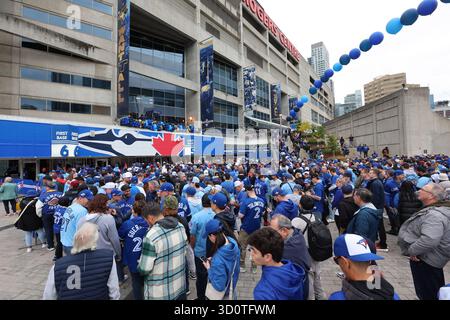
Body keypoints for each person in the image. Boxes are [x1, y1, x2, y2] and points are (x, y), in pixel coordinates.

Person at [398, 183, 450, 300]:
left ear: (431, 196)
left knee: (428, 293)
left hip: (427, 260)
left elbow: (430, 239)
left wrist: (412, 251)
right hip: (428, 258)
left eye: (423, 189)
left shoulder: (434, 215)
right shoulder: (435, 210)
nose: (419, 190)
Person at [43, 222, 120, 300]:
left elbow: (49, 295)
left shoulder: (58, 265)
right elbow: (114, 290)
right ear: (95, 240)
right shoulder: (108, 258)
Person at [138, 203, 187, 300]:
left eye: (146, 220)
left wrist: (139, 263)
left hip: (159, 292)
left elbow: (144, 269)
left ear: (150, 218)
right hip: (179, 285)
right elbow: (183, 252)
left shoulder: (151, 236)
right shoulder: (180, 226)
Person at [329, 234, 400, 300]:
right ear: (369, 260)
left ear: (345, 262)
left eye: (337, 260)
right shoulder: (393, 295)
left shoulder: (337, 298)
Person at [248, 227, 306, 300]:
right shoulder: (293, 271)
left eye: (254, 251)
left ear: (267, 257)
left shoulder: (262, 292)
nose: (251, 253)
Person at [77, 194, 122, 281]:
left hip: (90, 256)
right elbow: (114, 239)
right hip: (107, 256)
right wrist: (119, 254)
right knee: (110, 280)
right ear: (103, 205)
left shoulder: (81, 220)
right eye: (107, 204)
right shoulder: (108, 219)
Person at [292, 195, 326, 300]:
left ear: (300, 205)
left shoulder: (296, 221)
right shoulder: (317, 217)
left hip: (306, 252)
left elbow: (291, 238)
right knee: (317, 275)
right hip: (317, 250)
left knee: (309, 278)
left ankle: (310, 298)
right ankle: (321, 296)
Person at [270, 214, 311, 299]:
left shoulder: (289, 248)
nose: (271, 235)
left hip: (295, 291)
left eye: (273, 232)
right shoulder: (296, 233)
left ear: (284, 231)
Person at [118, 200, 149, 300]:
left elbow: (120, 237)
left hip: (133, 258)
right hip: (148, 257)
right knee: (148, 281)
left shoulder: (127, 224)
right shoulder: (150, 222)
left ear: (134, 211)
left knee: (136, 282)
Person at [203, 219, 240, 300]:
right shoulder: (232, 242)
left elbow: (219, 286)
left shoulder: (217, 260)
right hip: (232, 288)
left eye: (208, 236)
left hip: (223, 296)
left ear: (212, 236)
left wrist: (209, 268)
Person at [189, 194, 215, 300]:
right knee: (213, 275)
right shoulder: (216, 215)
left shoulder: (196, 217)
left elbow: (192, 236)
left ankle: (201, 297)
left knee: (201, 277)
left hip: (200, 252)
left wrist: (193, 247)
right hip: (214, 251)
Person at [238, 184, 265, 273]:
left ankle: (242, 266)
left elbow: (240, 215)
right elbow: (263, 213)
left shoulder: (246, 201)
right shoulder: (261, 200)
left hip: (246, 227)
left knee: (242, 247)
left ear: (247, 191)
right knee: (255, 247)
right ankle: (254, 267)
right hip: (257, 227)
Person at [60, 190, 93, 256]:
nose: (90, 202)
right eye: (88, 200)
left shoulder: (71, 206)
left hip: (65, 242)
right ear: (80, 198)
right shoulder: (82, 211)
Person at [36, 181, 64, 251]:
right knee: (60, 228)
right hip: (58, 213)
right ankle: (60, 244)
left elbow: (38, 207)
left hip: (47, 214)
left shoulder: (43, 195)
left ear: (47, 187)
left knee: (48, 230)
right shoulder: (61, 194)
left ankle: (50, 245)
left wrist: (40, 215)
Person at [366, 169, 388, 251]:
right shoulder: (374, 182)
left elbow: (375, 197)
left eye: (371, 173)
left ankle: (383, 244)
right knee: (379, 226)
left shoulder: (375, 183)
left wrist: (373, 208)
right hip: (378, 207)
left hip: (377, 208)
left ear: (375, 174)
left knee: (380, 226)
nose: (369, 173)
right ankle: (382, 242)